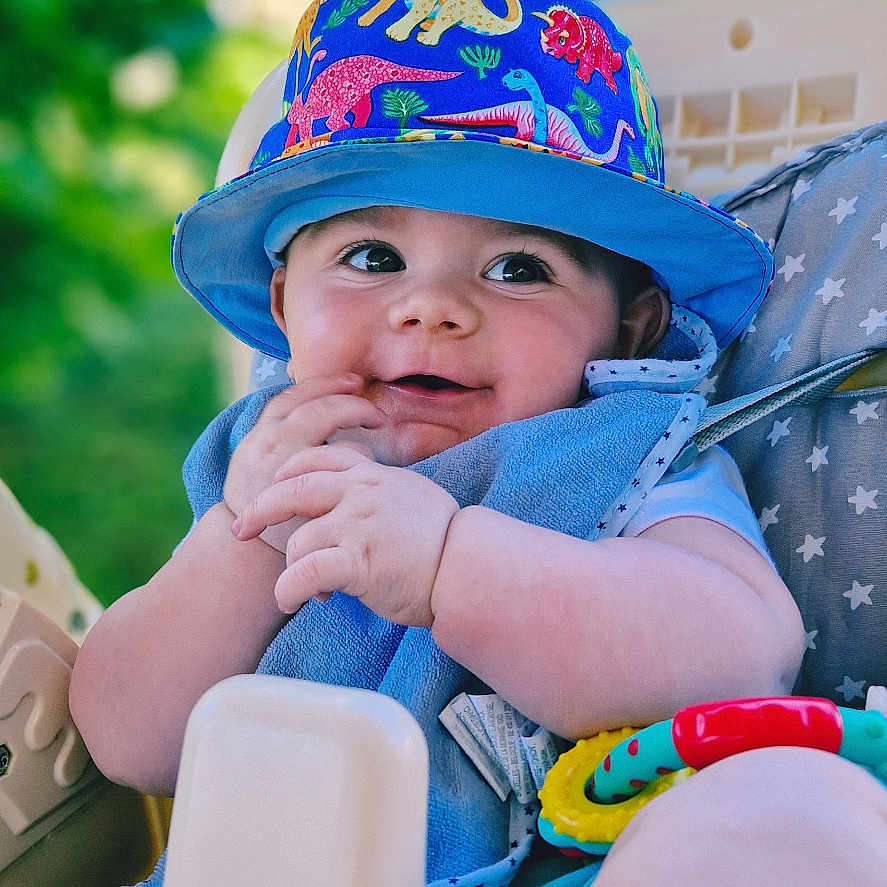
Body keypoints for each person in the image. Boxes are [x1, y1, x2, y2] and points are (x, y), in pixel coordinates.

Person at [68, 1, 867, 884]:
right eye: (372, 258)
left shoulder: (624, 459)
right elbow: (127, 742)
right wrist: (241, 542)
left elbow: (740, 657)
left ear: (630, 330)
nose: (430, 307)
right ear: (286, 303)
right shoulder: (265, 465)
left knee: (792, 813)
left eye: (517, 269)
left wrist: (452, 564)